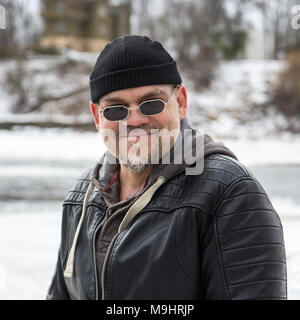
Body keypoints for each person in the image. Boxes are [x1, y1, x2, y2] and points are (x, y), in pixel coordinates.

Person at [47, 35, 287, 300]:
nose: (135, 120)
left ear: (181, 102)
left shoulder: (229, 194)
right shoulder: (81, 198)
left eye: (151, 103)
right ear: (97, 116)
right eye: (116, 109)